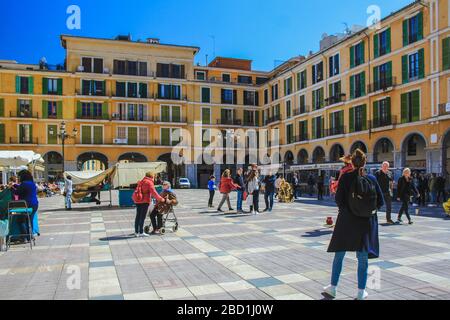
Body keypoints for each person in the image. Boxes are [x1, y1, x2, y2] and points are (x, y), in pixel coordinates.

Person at [324, 149, 383, 301]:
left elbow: (339, 199)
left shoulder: (346, 178)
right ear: (365, 162)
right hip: (365, 224)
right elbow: (380, 202)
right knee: (362, 259)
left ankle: (333, 288)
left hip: (346, 222)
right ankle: (361, 292)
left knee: (339, 255)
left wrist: (347, 211)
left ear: (352, 162)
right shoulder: (372, 178)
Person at [133, 172, 167, 237]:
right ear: (152, 176)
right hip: (144, 201)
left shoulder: (142, 181)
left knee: (138, 216)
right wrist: (161, 199)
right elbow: (154, 192)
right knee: (142, 217)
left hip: (138, 201)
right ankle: (141, 232)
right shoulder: (149, 182)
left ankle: (136, 232)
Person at [12, 170, 40, 242]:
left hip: (25, 205)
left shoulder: (24, 183)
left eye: (19, 176)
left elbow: (17, 192)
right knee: (30, 220)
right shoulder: (32, 183)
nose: (18, 178)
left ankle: (24, 237)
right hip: (34, 204)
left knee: (21, 220)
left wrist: (12, 188)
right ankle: (30, 237)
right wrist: (15, 185)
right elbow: (23, 188)